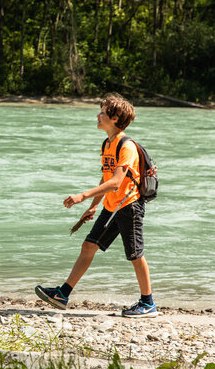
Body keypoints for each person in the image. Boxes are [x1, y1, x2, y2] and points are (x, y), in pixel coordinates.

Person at [35, 93, 158, 318]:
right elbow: (106, 178)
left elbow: (116, 182)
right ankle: (62, 294)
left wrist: (82, 196)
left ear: (115, 117)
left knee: (135, 254)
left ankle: (148, 303)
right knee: (88, 246)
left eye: (102, 112)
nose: (98, 115)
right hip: (112, 206)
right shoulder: (107, 143)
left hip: (128, 205)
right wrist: (93, 206)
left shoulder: (126, 146)